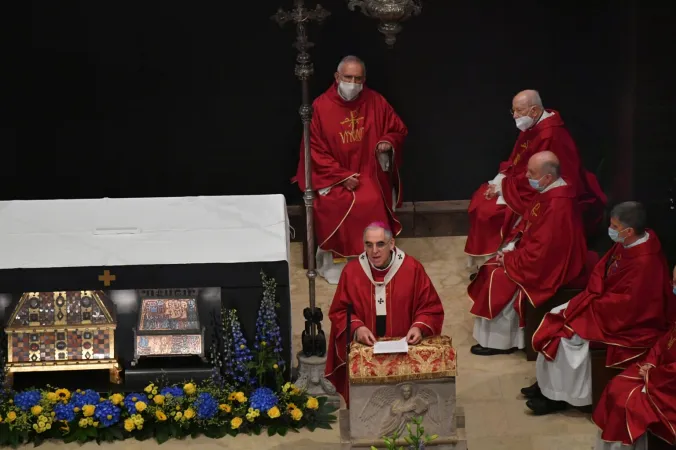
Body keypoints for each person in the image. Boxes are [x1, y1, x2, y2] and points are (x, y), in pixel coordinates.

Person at [527, 202, 675, 416]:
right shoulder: (629, 243)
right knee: (557, 315)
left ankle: (559, 396)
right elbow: (603, 268)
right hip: (602, 303)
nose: (611, 230)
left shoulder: (645, 262)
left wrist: (591, 305)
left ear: (629, 231)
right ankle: (546, 385)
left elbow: (631, 305)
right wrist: (592, 294)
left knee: (568, 338)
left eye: (615, 226)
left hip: (629, 323)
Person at [292, 55, 408, 285]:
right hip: (333, 177)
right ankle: (338, 262)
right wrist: (341, 177)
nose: (353, 83)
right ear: (337, 77)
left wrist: (386, 141)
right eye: (348, 77)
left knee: (372, 199)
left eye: (358, 78)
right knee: (338, 203)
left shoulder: (376, 101)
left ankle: (375, 260)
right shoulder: (320, 106)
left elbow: (397, 129)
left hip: (367, 172)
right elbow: (313, 149)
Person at [464, 90, 606, 276]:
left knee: (488, 212)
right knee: (481, 199)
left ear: (534, 110)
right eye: (513, 111)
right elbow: (517, 160)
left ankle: (498, 260)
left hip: (542, 187)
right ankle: (493, 261)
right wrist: (500, 181)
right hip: (524, 182)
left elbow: (546, 175)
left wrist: (503, 188)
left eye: (519, 111)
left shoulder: (550, 135)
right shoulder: (532, 127)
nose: (515, 116)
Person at [468, 151, 588, 356]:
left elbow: (544, 252)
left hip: (553, 265)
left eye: (531, 173)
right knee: (491, 267)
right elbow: (528, 222)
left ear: (548, 177)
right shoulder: (550, 191)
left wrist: (511, 259)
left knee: (500, 277)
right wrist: (511, 246)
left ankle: (502, 342)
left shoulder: (559, 205)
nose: (527, 177)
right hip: (535, 254)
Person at [325, 222, 445, 405]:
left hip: (404, 351)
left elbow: (430, 307)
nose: (374, 251)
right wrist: (357, 328)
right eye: (368, 244)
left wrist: (419, 327)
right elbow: (340, 310)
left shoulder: (412, 269)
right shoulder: (352, 272)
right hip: (367, 351)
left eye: (380, 244)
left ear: (392, 244)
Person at [592, 321, 676, 449]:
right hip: (660, 375)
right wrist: (651, 363)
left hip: (668, 387)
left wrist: (652, 375)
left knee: (629, 406)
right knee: (617, 386)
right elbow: (662, 344)